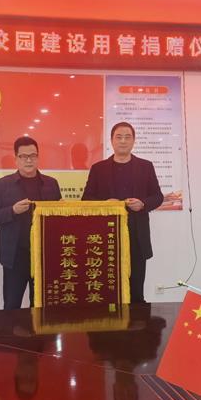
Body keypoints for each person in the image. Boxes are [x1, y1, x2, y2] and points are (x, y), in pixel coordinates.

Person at [82, 122, 163, 303]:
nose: (123, 141)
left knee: (136, 291)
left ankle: (137, 320)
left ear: (134, 141)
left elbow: (157, 196)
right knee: (108, 289)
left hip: (136, 235)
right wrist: (105, 204)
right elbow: (86, 199)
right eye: (119, 137)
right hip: (106, 237)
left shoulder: (145, 167)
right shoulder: (98, 168)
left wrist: (143, 204)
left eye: (127, 137)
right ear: (111, 140)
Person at [0, 136, 62, 309]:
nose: (29, 160)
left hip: (43, 255)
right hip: (15, 257)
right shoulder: (2, 185)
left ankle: (39, 329)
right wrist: (12, 210)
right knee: (12, 306)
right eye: (23, 156)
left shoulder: (51, 184)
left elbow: (58, 219)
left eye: (33, 156)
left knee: (41, 306)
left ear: (38, 157)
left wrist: (61, 210)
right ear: (16, 159)